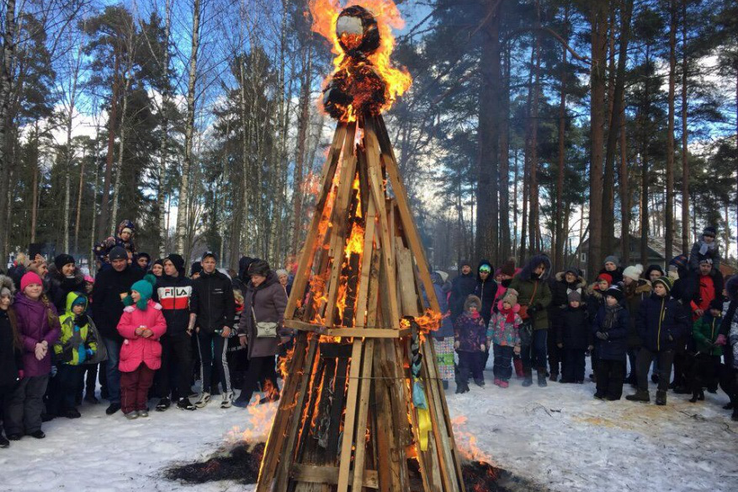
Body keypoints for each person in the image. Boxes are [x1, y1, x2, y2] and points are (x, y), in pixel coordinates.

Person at [5, 272, 60, 440]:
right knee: (19, 395)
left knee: (36, 395)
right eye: (30, 286)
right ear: (23, 288)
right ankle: (15, 427)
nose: (35, 288)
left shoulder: (48, 305)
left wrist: (45, 343)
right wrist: (33, 344)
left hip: (42, 357)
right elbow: (16, 333)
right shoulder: (17, 307)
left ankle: (33, 426)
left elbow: (56, 328)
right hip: (24, 358)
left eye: (37, 285)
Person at [92, 246, 144, 415]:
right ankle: (115, 398)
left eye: (121, 260)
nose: (119, 264)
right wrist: (101, 326)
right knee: (113, 364)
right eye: (115, 261)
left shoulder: (136, 274)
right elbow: (97, 303)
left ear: (127, 260)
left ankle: (132, 396)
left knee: (133, 363)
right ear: (110, 261)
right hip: (110, 329)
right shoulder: (103, 276)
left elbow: (143, 298)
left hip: (133, 328)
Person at [234, 260, 289, 407]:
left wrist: (284, 332)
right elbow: (246, 311)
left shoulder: (275, 288)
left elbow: (283, 311)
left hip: (269, 332)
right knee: (267, 364)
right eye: (252, 277)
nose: (253, 280)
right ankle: (273, 394)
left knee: (256, 363)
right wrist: (242, 331)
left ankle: (244, 397)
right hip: (254, 332)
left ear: (265, 275)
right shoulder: (252, 288)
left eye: (256, 277)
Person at [627, 277, 690, 405]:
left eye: (660, 287)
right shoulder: (647, 303)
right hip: (648, 342)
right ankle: (642, 392)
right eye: (656, 287)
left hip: (667, 343)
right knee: (640, 367)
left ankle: (661, 393)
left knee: (664, 371)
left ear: (666, 289)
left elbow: (684, 324)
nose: (657, 289)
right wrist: (643, 334)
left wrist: (672, 335)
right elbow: (640, 321)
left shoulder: (674, 305)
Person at [190, 251, 236, 409]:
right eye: (206, 262)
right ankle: (205, 391)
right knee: (205, 361)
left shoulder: (223, 281)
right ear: (202, 264)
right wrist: (195, 325)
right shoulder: (197, 282)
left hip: (220, 328)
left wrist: (228, 324)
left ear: (215, 264)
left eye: (212, 262)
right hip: (202, 327)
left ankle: (228, 392)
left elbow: (230, 305)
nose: (209, 264)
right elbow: (194, 305)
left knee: (220, 358)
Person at [117, 277, 166, 419]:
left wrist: (153, 331)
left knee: (145, 382)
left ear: (144, 293)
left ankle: (141, 405)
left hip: (150, 353)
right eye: (132, 292)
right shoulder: (129, 310)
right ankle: (128, 407)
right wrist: (134, 331)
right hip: (132, 352)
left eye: (135, 292)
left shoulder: (156, 310)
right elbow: (121, 327)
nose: (132, 295)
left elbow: (162, 325)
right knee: (129, 382)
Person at [154, 254, 196, 411]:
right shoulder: (159, 284)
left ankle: (183, 396)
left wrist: (189, 330)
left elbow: (194, 308)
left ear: (177, 266)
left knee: (184, 364)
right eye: (165, 265)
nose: (167, 268)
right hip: (163, 332)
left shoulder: (189, 284)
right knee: (164, 365)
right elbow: (154, 308)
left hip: (183, 332)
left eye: (170, 265)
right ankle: (164, 396)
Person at [49, 292, 98, 419]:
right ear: (71, 305)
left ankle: (70, 407)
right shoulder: (63, 320)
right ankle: (55, 408)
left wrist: (91, 351)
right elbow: (57, 338)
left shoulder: (85, 321)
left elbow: (92, 338)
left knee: (73, 384)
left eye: (82, 305)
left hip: (79, 358)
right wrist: (59, 353)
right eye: (77, 305)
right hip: (65, 359)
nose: (80, 308)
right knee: (60, 384)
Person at [510, 254, 552, 387]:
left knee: (540, 347)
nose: (540, 271)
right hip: (524, 317)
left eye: (543, 268)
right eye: (538, 267)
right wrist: (500, 302)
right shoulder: (520, 278)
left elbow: (548, 296)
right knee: (525, 347)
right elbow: (510, 292)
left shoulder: (543, 282)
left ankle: (541, 374)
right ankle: (527, 375)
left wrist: (539, 305)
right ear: (532, 266)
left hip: (540, 317)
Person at [549, 267, 586, 382]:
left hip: (574, 320)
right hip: (557, 318)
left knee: (570, 350)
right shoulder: (557, 284)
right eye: (568, 274)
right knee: (554, 347)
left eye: (572, 275)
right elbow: (551, 300)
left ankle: (573, 374)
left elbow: (584, 301)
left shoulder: (580, 287)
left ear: (576, 277)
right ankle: (554, 371)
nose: (570, 277)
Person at [591, 286, 629, 401]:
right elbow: (595, 323)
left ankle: (613, 393)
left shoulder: (623, 312)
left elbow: (625, 329)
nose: (609, 299)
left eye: (612, 297)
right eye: (607, 297)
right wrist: (597, 332)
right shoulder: (602, 310)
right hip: (602, 346)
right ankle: (600, 391)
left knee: (616, 372)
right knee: (602, 371)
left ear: (617, 299)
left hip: (617, 347)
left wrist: (609, 334)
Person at [0, 275, 23, 448]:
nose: (6, 300)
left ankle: (10, 426)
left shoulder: (11, 316)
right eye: (3, 297)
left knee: (7, 398)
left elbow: (16, 343)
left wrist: (19, 365)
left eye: (9, 297)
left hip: (9, 364)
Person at [690, 299, 723, 403]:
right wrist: (703, 339)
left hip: (716, 351)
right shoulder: (703, 318)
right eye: (713, 309)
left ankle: (712, 387)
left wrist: (720, 341)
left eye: (717, 310)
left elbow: (724, 333)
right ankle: (701, 388)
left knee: (714, 371)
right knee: (701, 371)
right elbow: (695, 330)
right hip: (704, 350)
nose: (714, 311)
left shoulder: (722, 321)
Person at [622, 265, 650, 385]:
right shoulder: (626, 290)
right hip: (629, 326)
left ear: (632, 278)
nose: (623, 280)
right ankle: (633, 375)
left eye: (625, 278)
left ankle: (639, 379)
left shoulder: (643, 292)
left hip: (639, 326)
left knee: (639, 355)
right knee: (631, 354)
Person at [488, 289, 521, 388]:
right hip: (497, 341)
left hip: (509, 343)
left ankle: (505, 377)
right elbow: (491, 326)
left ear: (513, 305)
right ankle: (497, 375)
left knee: (506, 360)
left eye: (508, 303)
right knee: (497, 359)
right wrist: (488, 338)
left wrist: (517, 344)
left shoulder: (515, 317)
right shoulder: (497, 314)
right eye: (505, 302)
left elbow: (518, 331)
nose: (506, 305)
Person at [453, 295, 486, 393]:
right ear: (467, 307)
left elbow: (482, 332)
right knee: (463, 363)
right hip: (464, 345)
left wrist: (482, 343)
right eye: (471, 306)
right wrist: (457, 339)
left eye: (474, 307)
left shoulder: (479, 319)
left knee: (477, 363)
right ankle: (463, 379)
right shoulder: (462, 318)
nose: (472, 308)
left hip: (475, 346)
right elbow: (457, 329)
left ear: (477, 308)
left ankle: (478, 378)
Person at [557, 291, 591, 384]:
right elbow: (560, 327)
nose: (574, 303)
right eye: (572, 301)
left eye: (576, 301)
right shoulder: (564, 312)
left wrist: (589, 341)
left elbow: (587, 328)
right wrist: (559, 340)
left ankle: (579, 377)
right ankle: (567, 377)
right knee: (567, 360)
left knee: (580, 361)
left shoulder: (584, 313)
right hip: (567, 340)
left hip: (581, 341)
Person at [429, 271, 454, 389]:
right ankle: (444, 381)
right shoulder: (440, 288)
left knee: (440, 354)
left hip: (440, 327)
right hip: (444, 327)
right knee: (444, 355)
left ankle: (442, 382)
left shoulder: (436, 289)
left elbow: (438, 308)